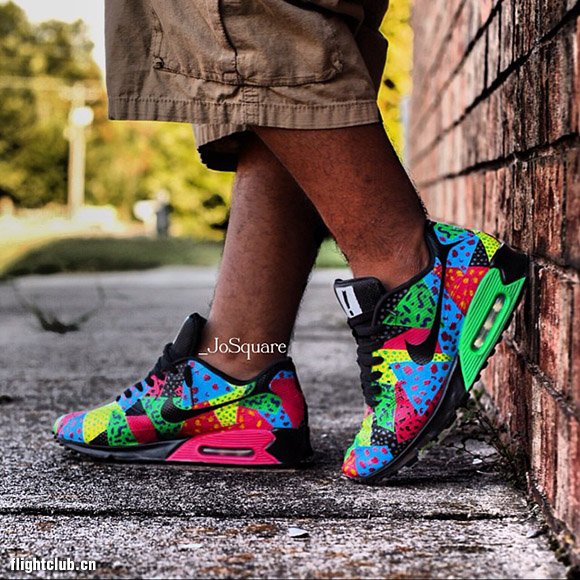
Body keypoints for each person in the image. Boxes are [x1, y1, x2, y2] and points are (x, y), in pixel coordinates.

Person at [53, 0, 528, 482]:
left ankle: (411, 274)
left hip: (436, 272)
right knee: (266, 69)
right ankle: (237, 367)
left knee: (245, 28)